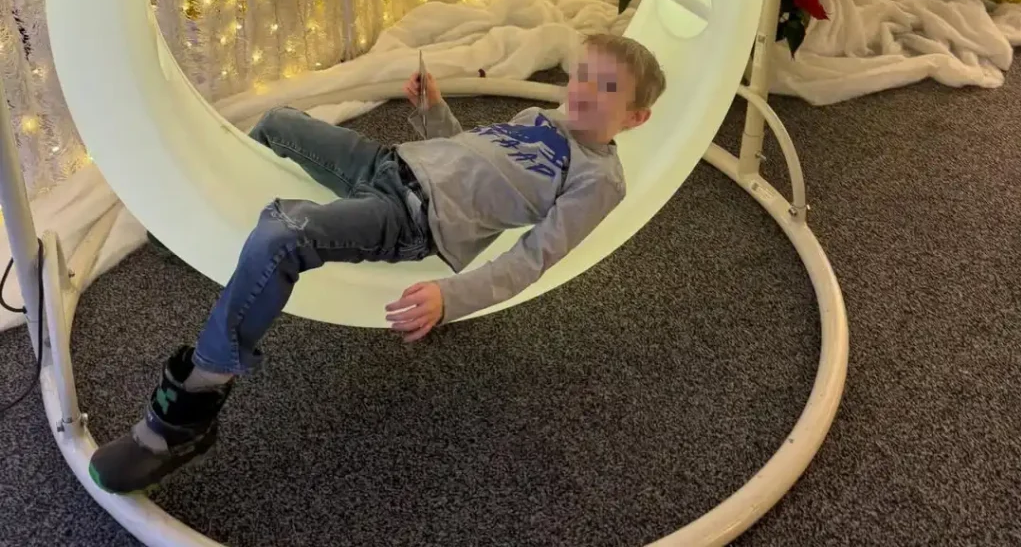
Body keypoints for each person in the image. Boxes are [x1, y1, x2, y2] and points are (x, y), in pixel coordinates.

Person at [89, 32, 666, 494]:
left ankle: (190, 407)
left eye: (608, 87)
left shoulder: (598, 180)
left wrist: (452, 297)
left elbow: (534, 257)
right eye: (584, 75)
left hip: (411, 219)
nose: (585, 90)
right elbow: (468, 154)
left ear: (635, 118)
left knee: (281, 234)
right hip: (391, 164)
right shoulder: (542, 121)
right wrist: (433, 111)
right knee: (277, 124)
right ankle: (189, 243)